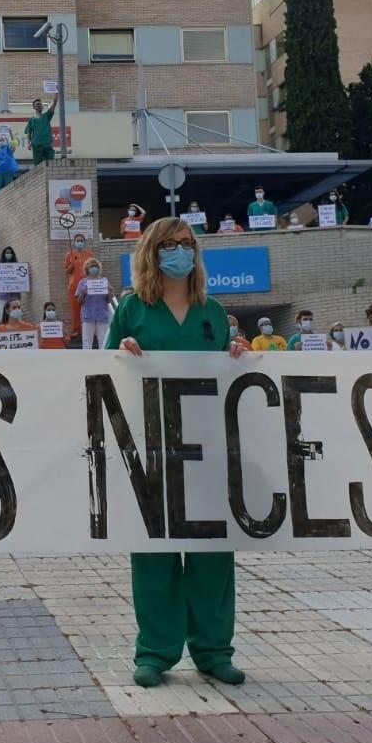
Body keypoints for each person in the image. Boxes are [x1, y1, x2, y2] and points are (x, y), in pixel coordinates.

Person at [109, 215, 251, 689]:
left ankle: (214, 651)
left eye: (187, 244)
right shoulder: (131, 310)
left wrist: (240, 354)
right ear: (152, 250)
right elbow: (103, 374)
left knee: (212, 553)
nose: (180, 251)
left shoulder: (212, 310)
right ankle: (154, 652)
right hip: (150, 449)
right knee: (154, 553)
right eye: (169, 244)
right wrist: (122, 353)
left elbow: (230, 370)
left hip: (208, 449)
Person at [75, 256, 112, 350]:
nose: (94, 268)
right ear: (87, 268)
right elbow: (79, 302)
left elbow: (109, 301)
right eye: (92, 266)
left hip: (102, 314)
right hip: (88, 315)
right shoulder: (82, 282)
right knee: (87, 341)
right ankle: (87, 362)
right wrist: (83, 293)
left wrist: (110, 291)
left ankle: (103, 361)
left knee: (103, 341)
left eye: (96, 266)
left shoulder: (104, 281)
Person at [64, 234, 96, 339]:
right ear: (74, 242)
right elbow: (66, 271)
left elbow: (95, 269)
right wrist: (71, 265)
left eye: (82, 240)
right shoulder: (70, 255)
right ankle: (77, 330)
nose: (80, 242)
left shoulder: (89, 255)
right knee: (75, 309)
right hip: (74, 286)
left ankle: (91, 329)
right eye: (78, 240)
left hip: (88, 286)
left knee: (89, 307)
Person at [25, 93, 58, 166]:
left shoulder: (47, 116)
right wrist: (28, 144)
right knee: (38, 166)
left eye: (40, 104)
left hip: (47, 144)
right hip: (37, 145)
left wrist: (56, 93)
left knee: (50, 164)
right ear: (34, 107)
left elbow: (54, 105)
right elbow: (29, 133)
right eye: (37, 104)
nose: (39, 105)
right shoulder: (31, 120)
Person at [0, 246, 23, 315]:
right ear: (3, 254)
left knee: (16, 314)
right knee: (3, 314)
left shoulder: (17, 266)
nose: (8, 254)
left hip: (15, 295)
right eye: (7, 252)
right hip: (3, 295)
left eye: (10, 253)